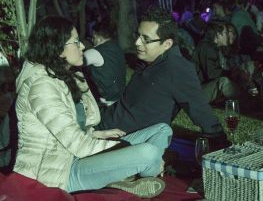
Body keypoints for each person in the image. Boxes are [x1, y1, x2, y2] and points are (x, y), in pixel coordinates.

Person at [13, 16, 172, 198]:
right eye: (76, 42)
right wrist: (125, 149)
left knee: (162, 130)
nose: (82, 46)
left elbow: (66, 131)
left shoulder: (65, 76)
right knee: (149, 152)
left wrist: (96, 134)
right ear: (58, 49)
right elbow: (77, 145)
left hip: (77, 157)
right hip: (57, 175)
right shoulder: (41, 87)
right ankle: (137, 174)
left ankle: (127, 176)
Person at [98, 8, 229, 148]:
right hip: (104, 123)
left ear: (167, 44)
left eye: (145, 39)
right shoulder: (149, 60)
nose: (137, 42)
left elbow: (200, 110)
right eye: (138, 35)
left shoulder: (176, 68)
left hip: (120, 141)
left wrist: (219, 140)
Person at [84, 19, 126, 106]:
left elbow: (75, 62)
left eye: (93, 37)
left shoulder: (95, 52)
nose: (92, 40)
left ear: (98, 37)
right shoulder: (117, 47)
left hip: (105, 101)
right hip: (119, 96)